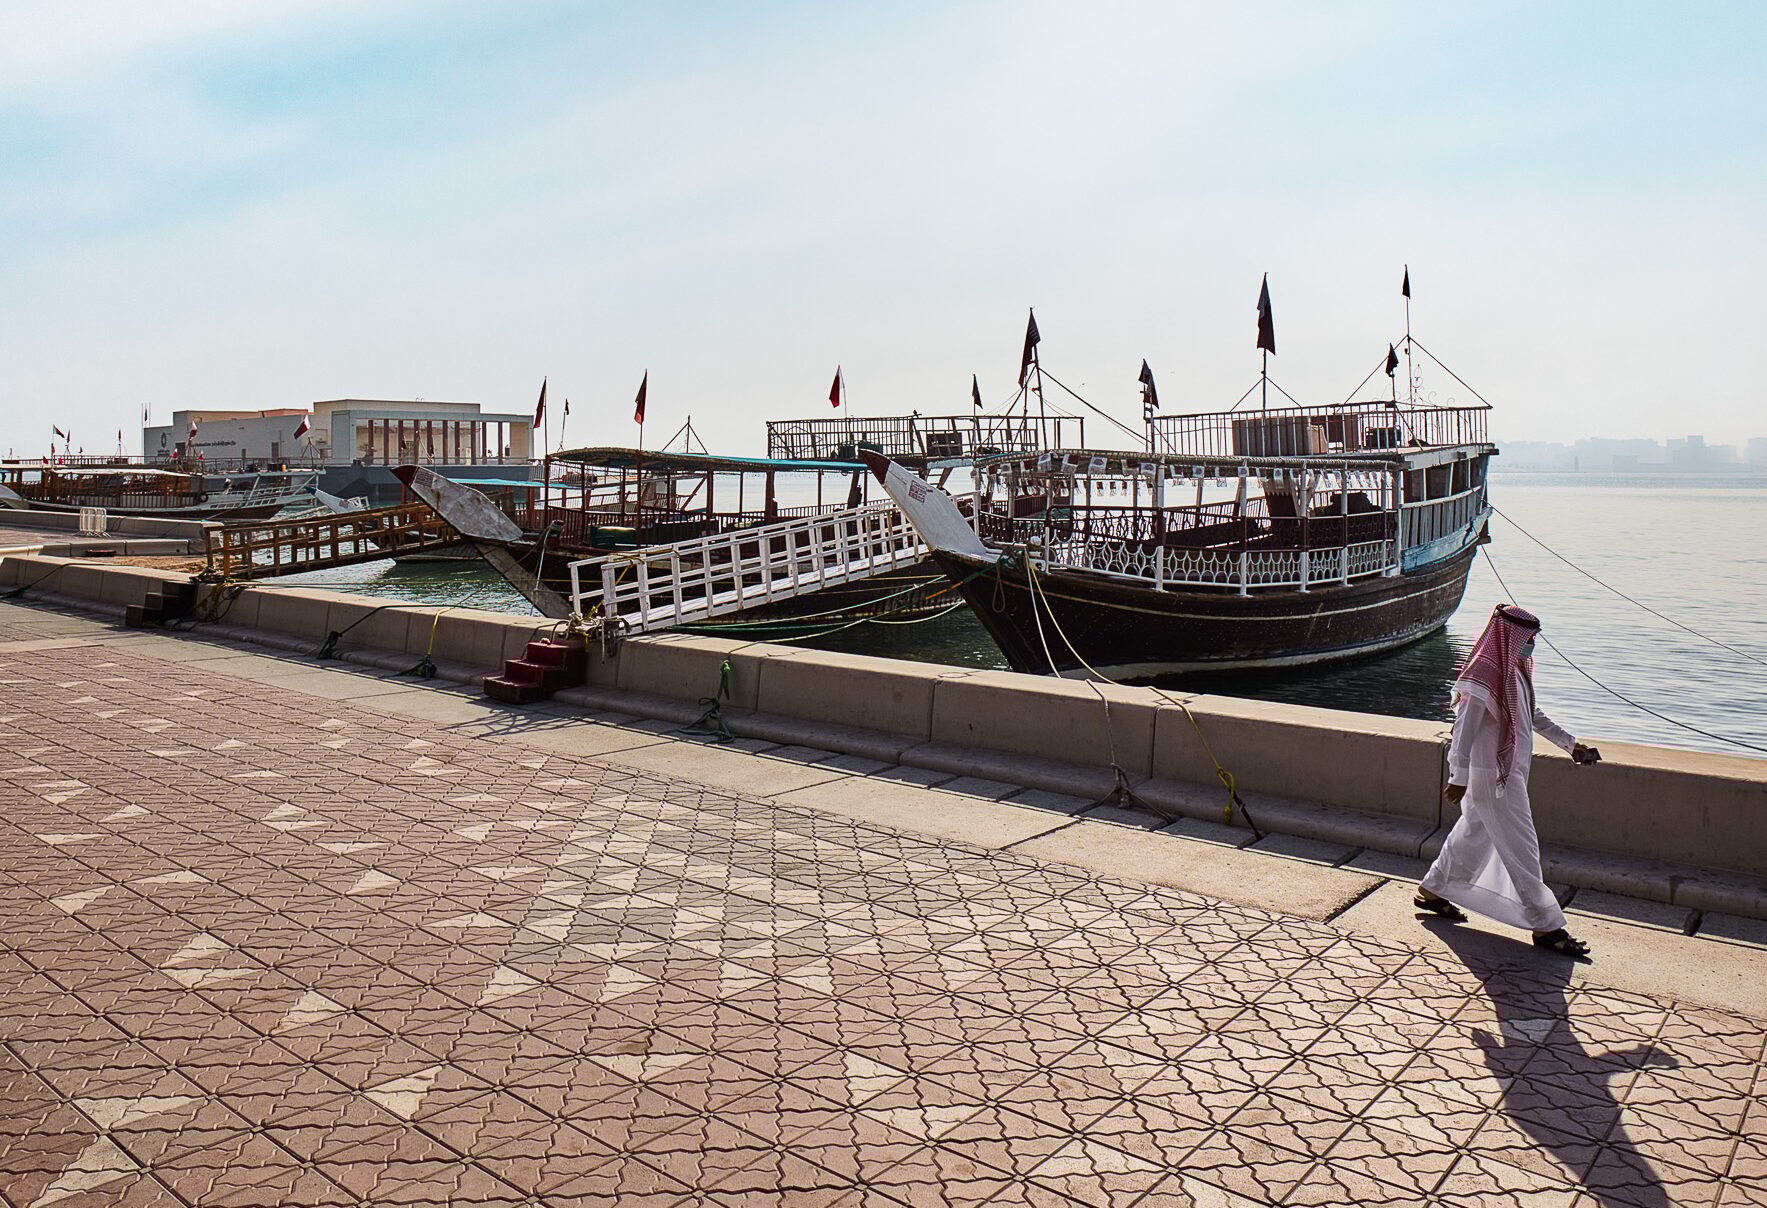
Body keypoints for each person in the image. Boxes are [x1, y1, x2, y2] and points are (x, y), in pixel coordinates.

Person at [1415, 604, 1603, 957]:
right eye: (1529, 637)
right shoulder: (1484, 673)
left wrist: (1571, 744)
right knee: (1522, 847)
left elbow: (1532, 715)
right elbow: (1464, 731)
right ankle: (1547, 926)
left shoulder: (1513, 668)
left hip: (1506, 772)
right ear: (1510, 634)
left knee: (1473, 834)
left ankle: (1433, 890)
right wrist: (1457, 776)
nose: (1532, 643)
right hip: (1492, 777)